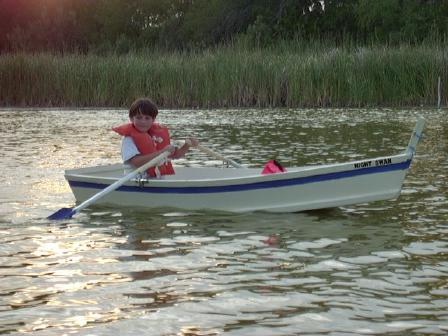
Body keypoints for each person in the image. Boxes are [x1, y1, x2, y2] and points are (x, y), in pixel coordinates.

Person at [112, 98, 199, 177]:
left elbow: (175, 155)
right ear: (131, 119)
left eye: (147, 118)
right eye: (139, 118)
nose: (143, 121)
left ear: (153, 120)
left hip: (157, 181)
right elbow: (137, 162)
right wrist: (162, 152)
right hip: (137, 182)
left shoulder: (156, 136)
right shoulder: (128, 140)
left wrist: (187, 145)